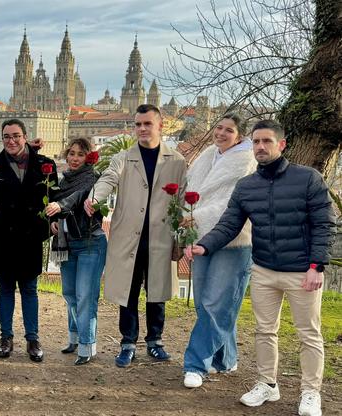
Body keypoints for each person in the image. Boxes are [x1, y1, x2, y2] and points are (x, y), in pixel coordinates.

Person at [186, 120, 334, 416]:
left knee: (308, 333)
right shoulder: (246, 185)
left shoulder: (308, 178)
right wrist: (206, 244)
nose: (261, 147)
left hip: (301, 269)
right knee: (265, 331)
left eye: (267, 141)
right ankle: (267, 384)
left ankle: (310, 392)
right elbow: (229, 224)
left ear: (282, 144)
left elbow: (324, 224)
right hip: (265, 269)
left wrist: (317, 265)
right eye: (256, 142)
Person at [85, 104, 187, 367]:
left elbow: (184, 198)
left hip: (160, 238)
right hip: (129, 237)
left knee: (157, 290)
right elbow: (108, 178)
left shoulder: (176, 161)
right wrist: (95, 197)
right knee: (127, 292)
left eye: (147, 124)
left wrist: (183, 231)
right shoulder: (123, 158)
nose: (142, 129)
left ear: (160, 126)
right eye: (138, 124)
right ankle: (127, 342)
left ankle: (155, 341)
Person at [181, 114, 256, 388]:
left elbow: (232, 203)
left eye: (229, 130)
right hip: (201, 237)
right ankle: (226, 358)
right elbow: (193, 188)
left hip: (234, 241)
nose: (221, 133)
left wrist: (196, 215)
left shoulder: (247, 161)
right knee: (206, 302)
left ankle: (195, 364)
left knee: (217, 303)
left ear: (240, 135)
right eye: (219, 128)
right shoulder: (208, 155)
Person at [0, 119, 56, 362]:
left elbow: (53, 197)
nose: (12, 141)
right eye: (7, 136)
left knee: (29, 289)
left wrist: (50, 225)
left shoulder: (45, 164)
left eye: (16, 136)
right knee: (5, 289)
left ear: (25, 137)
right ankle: (6, 337)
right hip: (3, 237)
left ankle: (32, 338)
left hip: (30, 236)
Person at [45, 137, 107, 365]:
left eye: (80, 154)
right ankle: (73, 339)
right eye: (71, 153)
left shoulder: (93, 179)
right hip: (68, 242)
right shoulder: (63, 180)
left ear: (88, 157)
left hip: (91, 242)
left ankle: (87, 346)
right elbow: (58, 207)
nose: (74, 158)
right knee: (70, 294)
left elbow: (79, 197)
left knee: (85, 297)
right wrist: (54, 221)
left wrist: (60, 206)